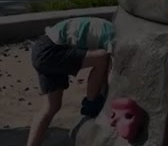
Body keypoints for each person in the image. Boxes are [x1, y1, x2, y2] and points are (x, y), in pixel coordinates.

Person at [27, 17, 115, 146]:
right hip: (51, 50)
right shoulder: (115, 39)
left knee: (50, 107)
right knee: (102, 57)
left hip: (41, 49)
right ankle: (91, 104)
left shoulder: (110, 30)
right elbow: (112, 74)